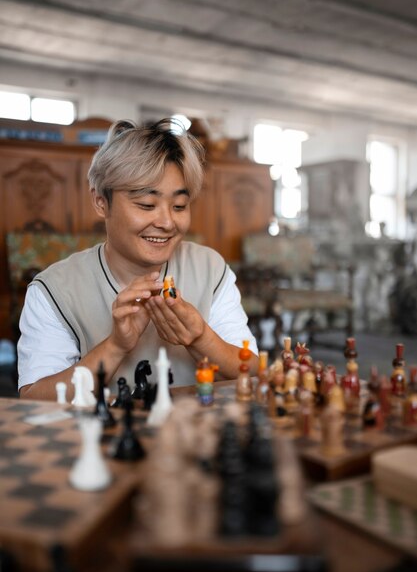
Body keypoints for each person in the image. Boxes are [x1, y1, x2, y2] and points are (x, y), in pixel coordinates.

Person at [18, 118, 259, 400]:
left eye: (179, 206)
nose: (167, 222)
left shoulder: (210, 269)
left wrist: (201, 338)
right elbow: (34, 401)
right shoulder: (54, 290)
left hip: (195, 435)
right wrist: (116, 345)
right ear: (101, 202)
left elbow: (254, 373)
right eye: (146, 205)